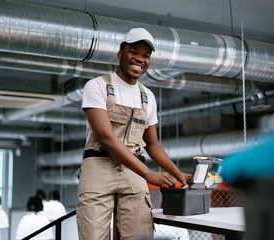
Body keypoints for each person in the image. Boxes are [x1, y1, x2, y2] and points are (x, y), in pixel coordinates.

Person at [76, 28, 191, 240]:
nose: (140, 58)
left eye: (146, 55)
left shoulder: (148, 97)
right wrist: (148, 174)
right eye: (133, 51)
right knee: (93, 234)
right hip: (99, 164)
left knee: (140, 235)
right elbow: (106, 136)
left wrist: (178, 174)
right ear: (121, 53)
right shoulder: (98, 86)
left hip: (133, 170)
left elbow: (153, 144)